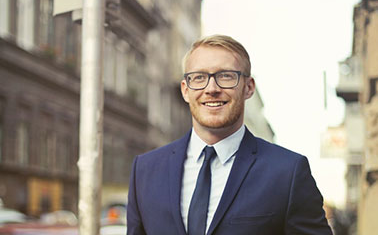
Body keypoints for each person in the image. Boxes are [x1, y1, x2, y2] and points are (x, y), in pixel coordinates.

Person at [127, 35, 332, 235]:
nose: (212, 89)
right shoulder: (145, 171)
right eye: (199, 77)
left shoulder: (288, 172)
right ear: (185, 90)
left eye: (226, 76)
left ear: (248, 87)